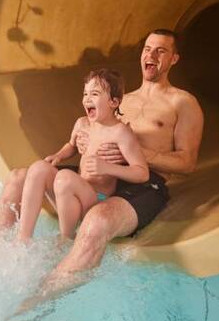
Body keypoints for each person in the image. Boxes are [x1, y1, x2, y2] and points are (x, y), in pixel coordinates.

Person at [0, 29, 204, 284]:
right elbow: (90, 130)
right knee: (20, 176)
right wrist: (83, 143)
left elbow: (187, 163)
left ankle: (41, 298)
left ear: (174, 59)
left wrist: (138, 154)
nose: (151, 55)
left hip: (143, 183)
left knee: (97, 220)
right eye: (147, 49)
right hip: (101, 176)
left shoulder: (183, 103)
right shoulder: (120, 100)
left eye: (160, 50)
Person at [17, 68, 149, 241]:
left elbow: (142, 172)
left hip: (95, 201)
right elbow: (71, 146)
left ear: (114, 102)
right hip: (70, 198)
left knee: (64, 177)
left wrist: (108, 168)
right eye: (85, 93)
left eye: (94, 94)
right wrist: (60, 155)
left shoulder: (120, 133)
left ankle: (66, 239)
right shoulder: (82, 123)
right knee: (38, 168)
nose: (87, 98)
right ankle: (23, 239)